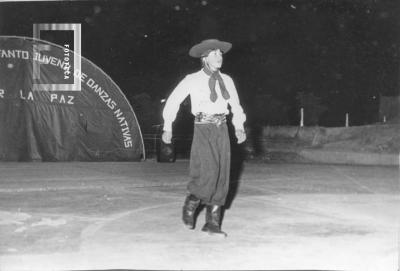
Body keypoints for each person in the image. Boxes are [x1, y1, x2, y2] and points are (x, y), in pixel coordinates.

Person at [161, 39, 246, 237]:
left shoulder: (227, 80)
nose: (219, 57)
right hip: (203, 127)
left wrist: (239, 126)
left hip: (222, 128)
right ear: (204, 57)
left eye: (221, 53)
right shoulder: (192, 79)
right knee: (207, 172)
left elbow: (236, 105)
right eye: (215, 53)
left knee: (222, 175)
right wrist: (167, 126)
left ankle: (212, 223)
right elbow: (173, 101)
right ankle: (191, 203)